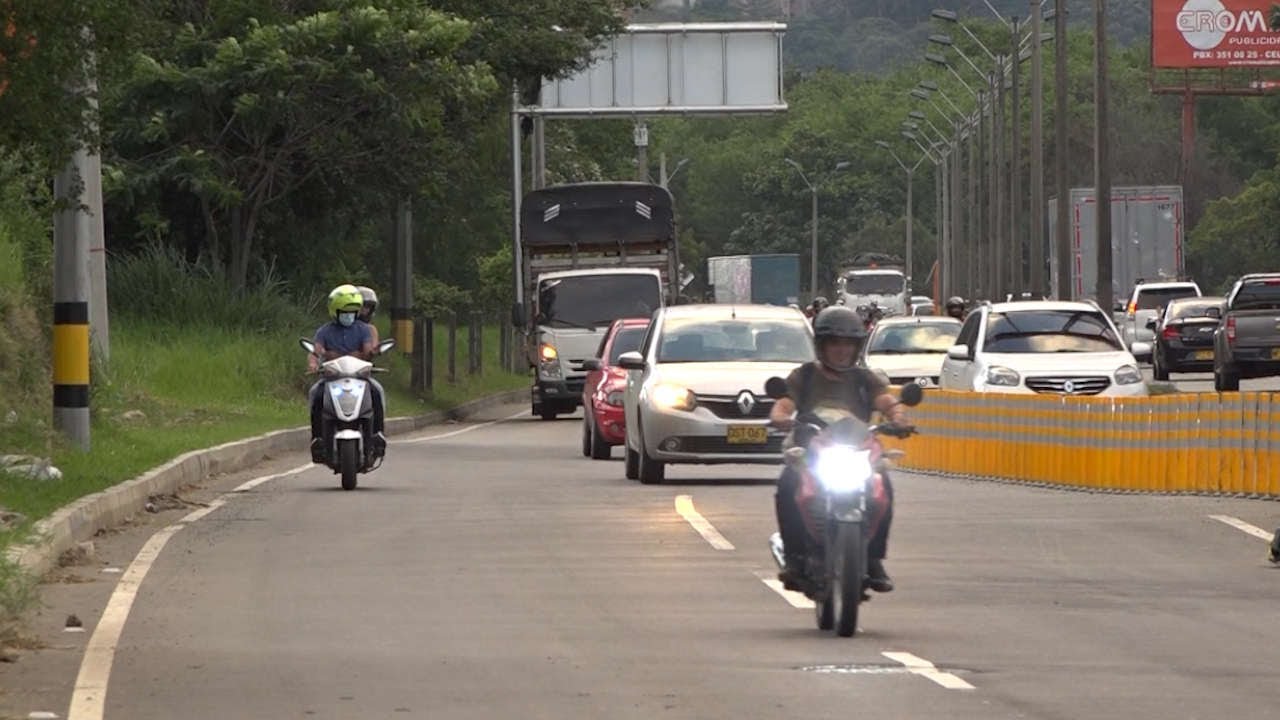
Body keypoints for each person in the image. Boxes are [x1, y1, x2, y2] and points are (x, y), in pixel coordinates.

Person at [768, 305, 909, 594]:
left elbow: (885, 401)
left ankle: (873, 560)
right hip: (813, 451)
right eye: (835, 343)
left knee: (885, 489)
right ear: (821, 346)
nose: (842, 350)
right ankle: (795, 559)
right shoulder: (804, 376)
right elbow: (784, 403)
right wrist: (780, 417)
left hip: (858, 449)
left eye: (848, 344)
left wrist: (898, 418)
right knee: (787, 485)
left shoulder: (865, 379)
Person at [308, 284, 385, 464]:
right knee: (315, 394)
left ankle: (377, 435)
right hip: (331, 378)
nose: (349, 315)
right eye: (344, 312)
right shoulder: (324, 331)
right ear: (335, 311)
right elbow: (315, 351)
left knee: (377, 392)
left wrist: (371, 353)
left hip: (360, 377)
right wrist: (313, 363)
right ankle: (317, 438)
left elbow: (366, 351)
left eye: (352, 311)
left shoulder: (364, 330)